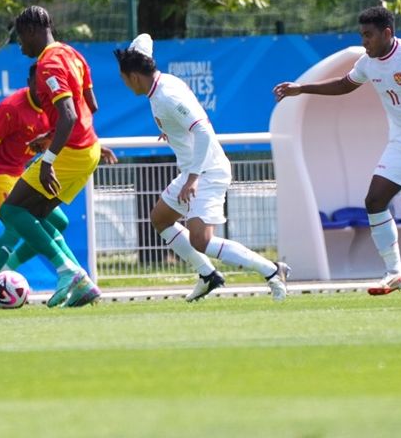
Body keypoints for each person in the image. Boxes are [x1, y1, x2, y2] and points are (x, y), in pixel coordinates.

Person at [273, 5, 401, 294]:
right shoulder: (368, 63)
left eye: (369, 35)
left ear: (387, 33)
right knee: (374, 201)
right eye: (362, 35)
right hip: (400, 140)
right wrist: (302, 89)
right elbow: (345, 85)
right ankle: (395, 273)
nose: (364, 41)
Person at [114, 33, 290, 302]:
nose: (124, 84)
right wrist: (172, 133)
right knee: (160, 218)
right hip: (194, 170)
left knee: (201, 240)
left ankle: (272, 270)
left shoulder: (166, 95)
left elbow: (204, 132)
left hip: (207, 172)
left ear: (134, 76)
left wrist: (192, 179)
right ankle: (208, 275)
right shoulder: (161, 85)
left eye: (124, 79)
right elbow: (187, 123)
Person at [0, 5, 114, 307]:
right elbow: (92, 105)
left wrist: (48, 158)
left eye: (21, 38)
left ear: (33, 32)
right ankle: (84, 284)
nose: (20, 45)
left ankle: (68, 272)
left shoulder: (48, 65)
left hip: (70, 152)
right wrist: (52, 136)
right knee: (35, 214)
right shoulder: (72, 54)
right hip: (87, 148)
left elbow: (69, 114)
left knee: (10, 211)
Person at [0, 64, 82, 308]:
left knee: (59, 222)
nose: (43, 90)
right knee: (16, 227)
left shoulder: (52, 108)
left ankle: (7, 266)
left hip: (20, 173)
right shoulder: (11, 108)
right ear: (29, 81)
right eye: (37, 84)